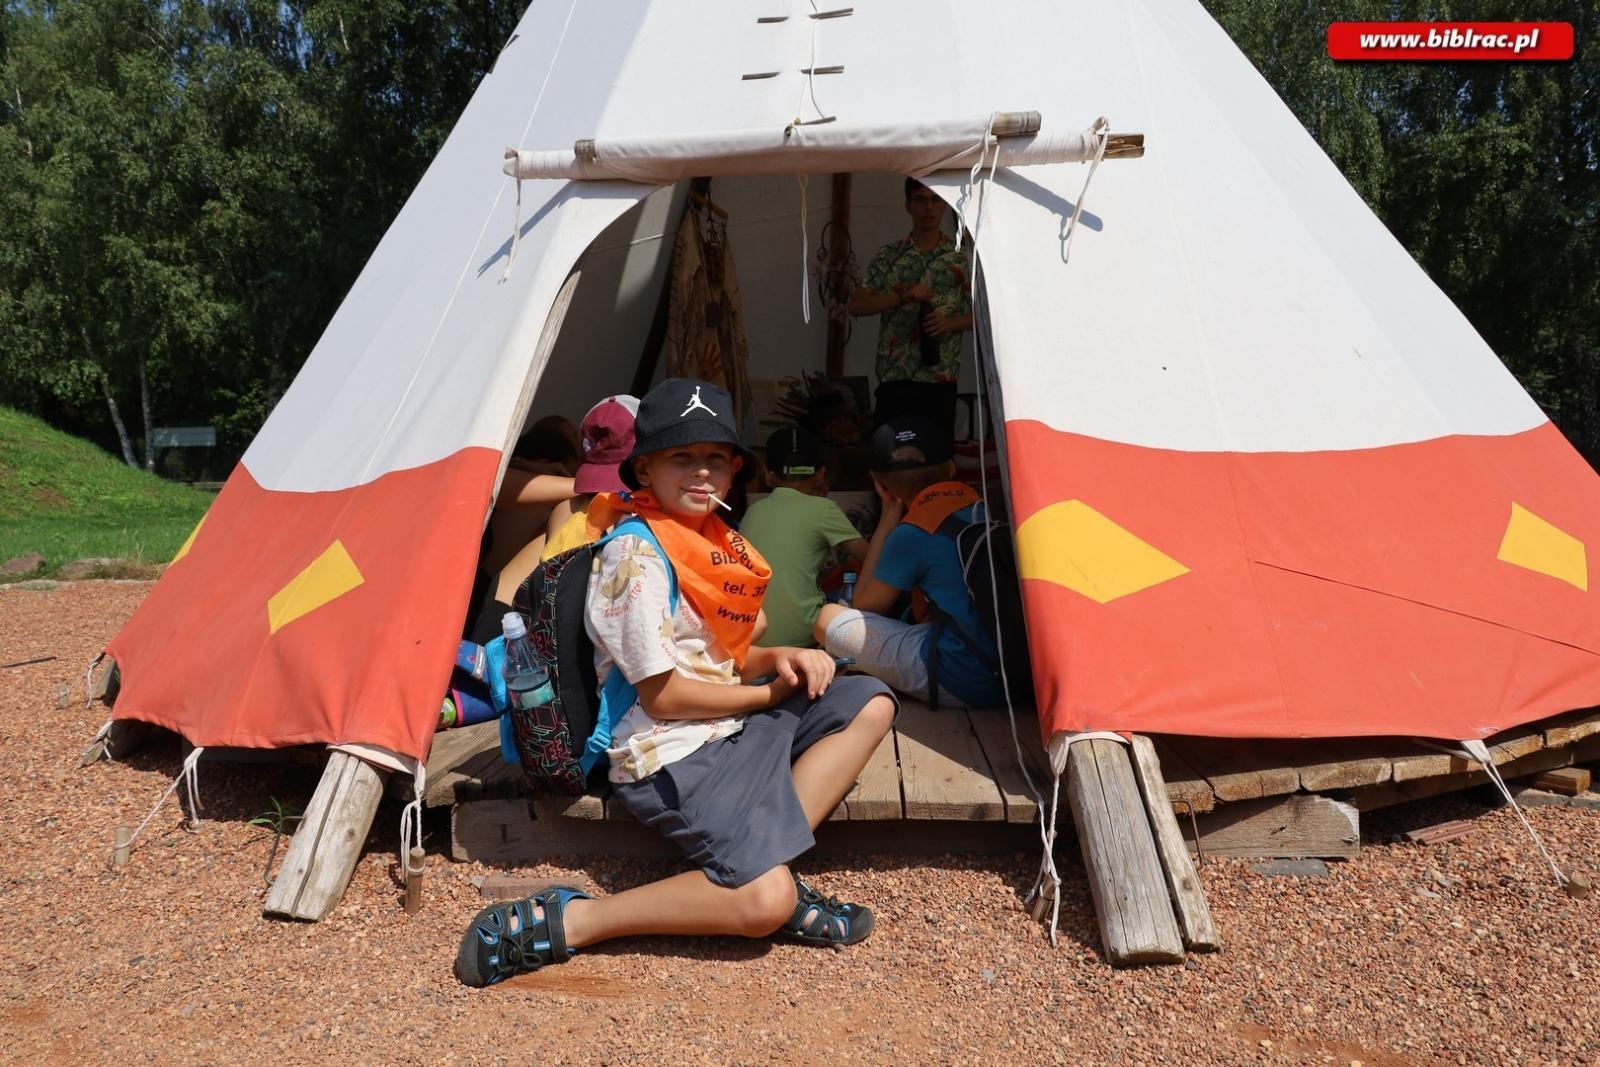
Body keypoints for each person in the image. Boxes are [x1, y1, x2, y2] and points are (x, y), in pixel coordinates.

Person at [454, 378, 898, 988]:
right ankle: (576, 920)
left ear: (735, 469)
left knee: (867, 700)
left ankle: (761, 848)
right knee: (763, 904)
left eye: (715, 457)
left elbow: (723, 659)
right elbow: (665, 695)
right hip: (671, 750)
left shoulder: (715, 543)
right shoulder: (634, 557)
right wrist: (768, 694)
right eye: (681, 457)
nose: (701, 472)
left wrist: (782, 657)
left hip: (729, 725)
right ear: (645, 468)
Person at [812, 415, 1005, 709]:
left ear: (881, 487)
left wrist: (888, 521)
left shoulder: (913, 532)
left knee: (827, 617)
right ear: (952, 469)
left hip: (964, 679)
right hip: (1011, 672)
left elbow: (865, 608)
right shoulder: (985, 508)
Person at [849, 178, 974, 435]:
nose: (928, 207)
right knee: (891, 461)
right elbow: (857, 305)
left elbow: (986, 317)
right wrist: (902, 297)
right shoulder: (889, 256)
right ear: (908, 206)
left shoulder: (960, 258)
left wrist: (948, 323)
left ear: (944, 206)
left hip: (939, 378)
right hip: (896, 378)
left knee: (936, 463)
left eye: (935, 200)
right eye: (920, 200)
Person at [741, 428, 869, 648]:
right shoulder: (824, 509)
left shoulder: (753, 510)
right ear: (820, 473)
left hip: (753, 636)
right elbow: (870, 558)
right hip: (802, 638)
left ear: (768, 474)